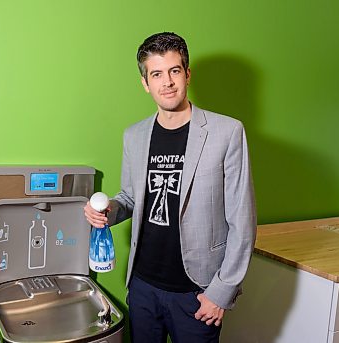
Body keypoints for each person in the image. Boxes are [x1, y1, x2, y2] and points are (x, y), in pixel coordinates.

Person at [84, 32, 257, 343]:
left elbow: (242, 222)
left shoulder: (227, 132)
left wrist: (221, 292)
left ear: (187, 75)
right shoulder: (134, 136)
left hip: (197, 291)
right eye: (157, 74)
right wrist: (108, 211)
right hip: (142, 288)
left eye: (174, 71)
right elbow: (130, 197)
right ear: (145, 83)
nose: (167, 82)